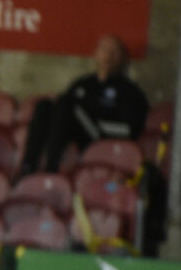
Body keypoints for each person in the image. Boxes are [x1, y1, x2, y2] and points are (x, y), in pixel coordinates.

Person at [18, 34, 149, 176]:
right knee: (45, 105)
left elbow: (130, 129)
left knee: (66, 103)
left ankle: (51, 167)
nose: (108, 56)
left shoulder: (129, 90)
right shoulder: (83, 83)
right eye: (104, 50)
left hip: (101, 134)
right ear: (96, 53)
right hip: (77, 133)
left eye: (114, 51)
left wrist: (98, 123)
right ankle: (28, 167)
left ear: (123, 57)